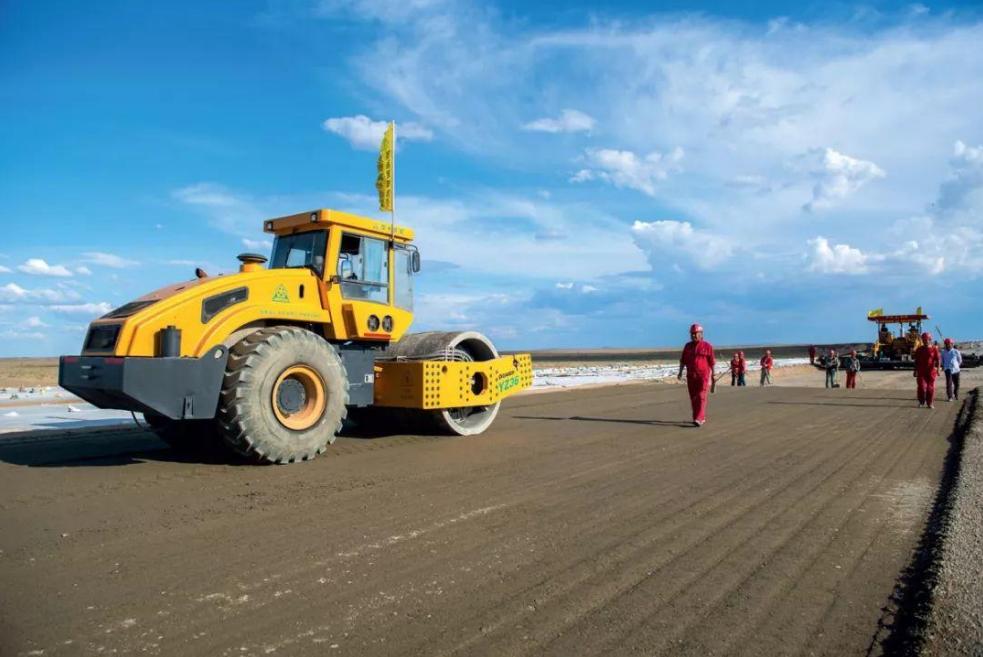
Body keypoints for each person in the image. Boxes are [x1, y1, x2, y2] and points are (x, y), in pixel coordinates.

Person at [678, 323, 716, 427]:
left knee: (701, 396)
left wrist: (714, 375)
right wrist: (680, 372)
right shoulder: (687, 346)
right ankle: (698, 418)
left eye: (696, 333)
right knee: (694, 398)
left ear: (701, 334)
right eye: (692, 334)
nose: (694, 335)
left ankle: (699, 418)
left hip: (703, 376)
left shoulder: (707, 346)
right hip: (691, 376)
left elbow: (712, 362)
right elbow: (683, 361)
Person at [913, 332, 941, 408]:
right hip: (921, 371)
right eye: (924, 339)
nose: (925, 341)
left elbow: (938, 360)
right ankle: (921, 402)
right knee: (921, 387)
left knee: (930, 389)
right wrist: (915, 370)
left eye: (926, 339)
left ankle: (930, 403)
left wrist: (938, 370)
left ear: (930, 339)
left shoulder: (934, 349)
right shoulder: (919, 349)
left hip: (931, 372)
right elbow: (916, 361)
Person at [940, 338, 962, 402]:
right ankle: (950, 397)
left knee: (957, 384)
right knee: (949, 383)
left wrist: (957, 365)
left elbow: (959, 360)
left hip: (956, 370)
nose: (948, 345)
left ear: (952, 344)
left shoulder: (956, 351)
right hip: (948, 369)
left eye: (949, 344)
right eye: (946, 344)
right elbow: (942, 360)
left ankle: (956, 393)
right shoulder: (943, 352)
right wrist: (943, 366)